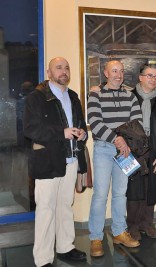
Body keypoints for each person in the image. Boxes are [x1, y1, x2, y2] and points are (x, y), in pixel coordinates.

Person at [24, 57, 87, 267]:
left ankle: (65, 247)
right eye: (58, 68)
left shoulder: (73, 96)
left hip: (71, 160)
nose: (64, 71)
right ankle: (43, 259)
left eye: (67, 68)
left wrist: (82, 134)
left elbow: (80, 125)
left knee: (65, 206)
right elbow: (31, 130)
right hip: (47, 162)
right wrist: (62, 132)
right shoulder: (36, 98)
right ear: (49, 73)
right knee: (46, 210)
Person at [87, 60, 142, 257]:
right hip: (103, 148)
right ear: (106, 73)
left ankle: (119, 231)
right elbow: (94, 122)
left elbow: (136, 122)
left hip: (125, 150)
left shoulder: (130, 95)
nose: (118, 75)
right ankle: (96, 237)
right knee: (100, 195)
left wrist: (124, 142)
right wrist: (116, 138)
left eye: (121, 71)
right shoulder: (96, 94)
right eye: (114, 71)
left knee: (121, 193)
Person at [126, 63, 156, 240]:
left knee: (151, 188)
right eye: (149, 75)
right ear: (140, 77)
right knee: (134, 189)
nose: (153, 79)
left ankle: (147, 224)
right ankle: (133, 226)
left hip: (155, 151)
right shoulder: (129, 97)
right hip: (133, 151)